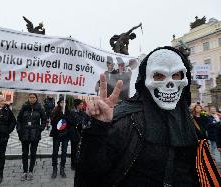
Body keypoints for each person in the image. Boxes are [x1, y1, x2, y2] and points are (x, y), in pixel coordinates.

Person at [75, 46, 199, 187]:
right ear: (145, 80)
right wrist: (98, 128)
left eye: (176, 75)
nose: (169, 84)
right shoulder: (125, 119)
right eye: (159, 76)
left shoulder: (187, 119)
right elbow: (91, 170)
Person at [17, 93, 47, 181]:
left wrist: (40, 129)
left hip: (35, 133)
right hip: (25, 133)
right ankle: (25, 171)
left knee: (33, 153)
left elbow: (44, 119)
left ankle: (30, 171)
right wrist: (19, 129)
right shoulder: (24, 107)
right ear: (28, 98)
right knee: (25, 153)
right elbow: (18, 119)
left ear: (36, 98)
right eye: (30, 97)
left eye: (33, 97)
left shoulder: (40, 108)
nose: (32, 99)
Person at [50, 97, 69, 178]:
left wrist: (66, 117)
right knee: (55, 151)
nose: (63, 104)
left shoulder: (68, 111)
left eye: (64, 102)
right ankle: (54, 168)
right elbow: (53, 122)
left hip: (65, 135)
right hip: (57, 134)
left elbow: (71, 122)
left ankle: (62, 168)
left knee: (64, 152)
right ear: (59, 103)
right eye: (61, 102)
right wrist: (60, 117)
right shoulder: (55, 111)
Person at [68, 99, 85, 171]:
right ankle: (73, 164)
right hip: (74, 133)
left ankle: (78, 162)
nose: (82, 105)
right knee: (74, 149)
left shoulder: (82, 112)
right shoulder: (72, 112)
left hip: (81, 133)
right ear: (77, 105)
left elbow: (84, 120)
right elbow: (72, 122)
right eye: (81, 104)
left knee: (80, 149)